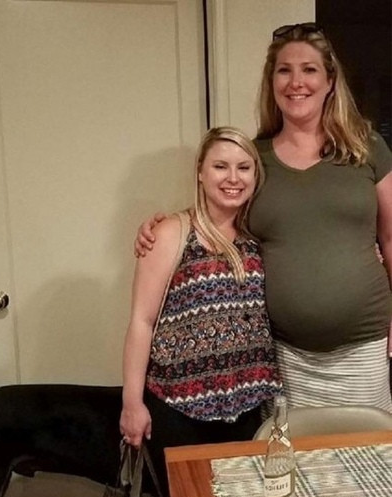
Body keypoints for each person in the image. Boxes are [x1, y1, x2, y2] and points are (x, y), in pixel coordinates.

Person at [134, 23, 392, 414]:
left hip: (364, 346)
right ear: (271, 83)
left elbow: (390, 238)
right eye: (284, 70)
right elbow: (216, 219)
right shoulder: (255, 159)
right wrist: (161, 229)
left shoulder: (366, 148)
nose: (296, 82)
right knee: (289, 451)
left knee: (365, 450)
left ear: (330, 81)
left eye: (309, 69)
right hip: (284, 356)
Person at [120, 127, 282, 493]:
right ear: (200, 172)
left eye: (244, 168)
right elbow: (142, 321)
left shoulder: (256, 237)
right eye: (220, 166)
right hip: (180, 406)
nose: (233, 178)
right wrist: (132, 403)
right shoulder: (172, 233)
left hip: (248, 404)